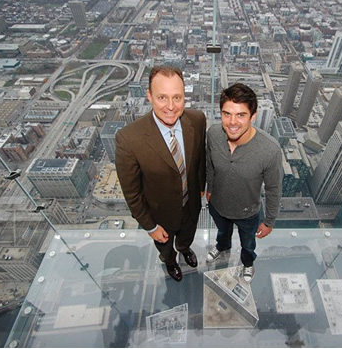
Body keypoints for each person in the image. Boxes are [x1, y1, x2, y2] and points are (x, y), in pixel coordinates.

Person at [115, 65, 206, 282]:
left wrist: (201, 188)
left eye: (177, 97)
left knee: (186, 235)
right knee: (165, 247)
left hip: (191, 203)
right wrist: (151, 226)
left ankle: (184, 248)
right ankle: (171, 262)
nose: (171, 107)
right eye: (162, 97)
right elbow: (132, 193)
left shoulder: (197, 120)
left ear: (185, 96)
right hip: (160, 215)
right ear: (149, 96)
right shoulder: (129, 139)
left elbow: (199, 159)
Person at [206, 83, 283, 283]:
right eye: (227, 114)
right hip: (218, 204)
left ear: (253, 116)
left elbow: (274, 189)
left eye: (240, 115)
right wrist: (210, 188)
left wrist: (270, 221)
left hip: (248, 213)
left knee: (248, 244)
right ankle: (222, 247)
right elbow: (209, 164)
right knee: (223, 233)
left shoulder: (270, 150)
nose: (232, 122)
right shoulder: (213, 134)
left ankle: (247, 263)